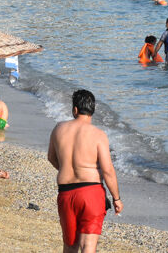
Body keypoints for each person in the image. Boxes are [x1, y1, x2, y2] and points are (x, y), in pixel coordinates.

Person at [47, 90, 122, 253]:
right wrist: (116, 198)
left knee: (70, 246)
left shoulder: (59, 129)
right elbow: (108, 170)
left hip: (66, 193)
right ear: (93, 110)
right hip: (91, 192)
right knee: (88, 246)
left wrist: (67, 169)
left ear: (75, 109)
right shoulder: (99, 135)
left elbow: (51, 157)